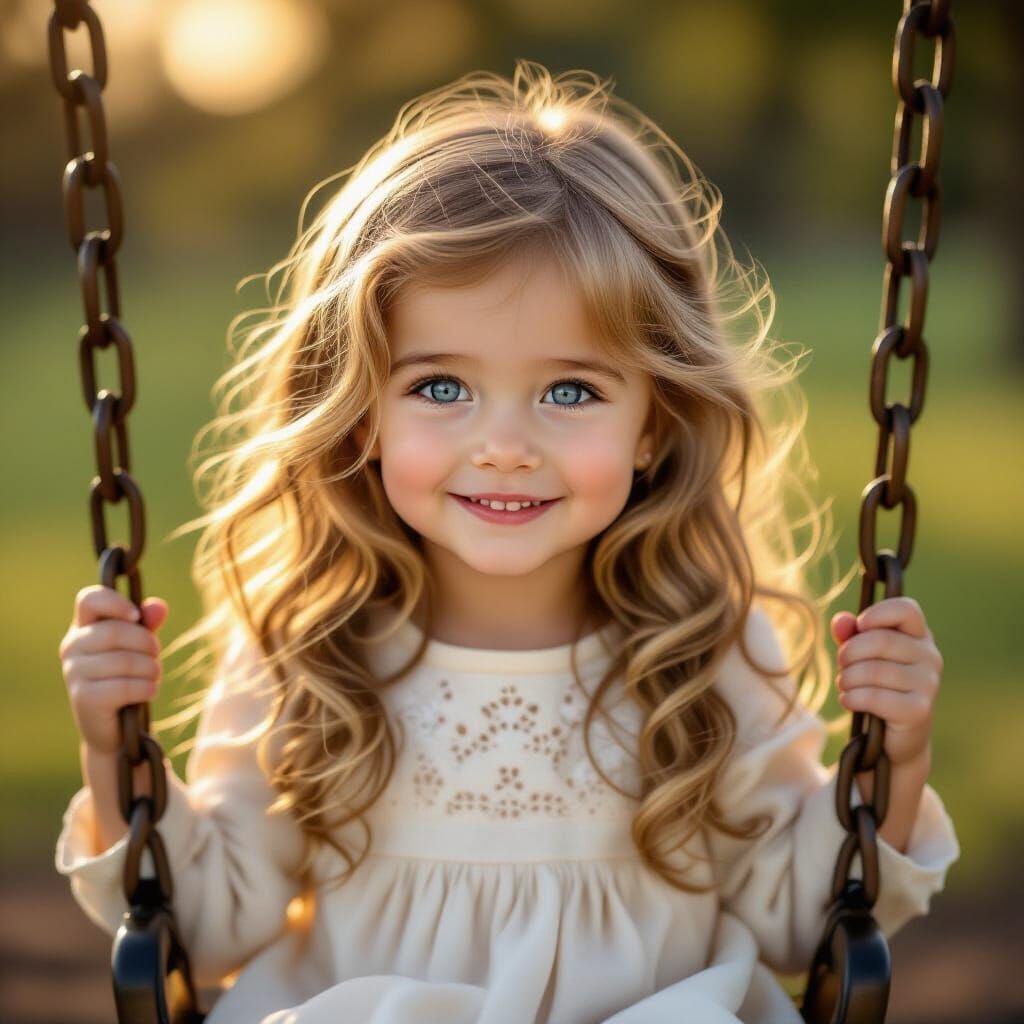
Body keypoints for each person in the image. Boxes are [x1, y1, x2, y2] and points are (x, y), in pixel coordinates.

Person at [55, 60, 960, 1023]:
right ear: (361, 413)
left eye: (571, 391)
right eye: (439, 388)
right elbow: (210, 921)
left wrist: (893, 761)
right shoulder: (312, 648)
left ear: (655, 422)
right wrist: (113, 752)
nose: (504, 448)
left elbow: (797, 920)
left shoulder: (702, 649)